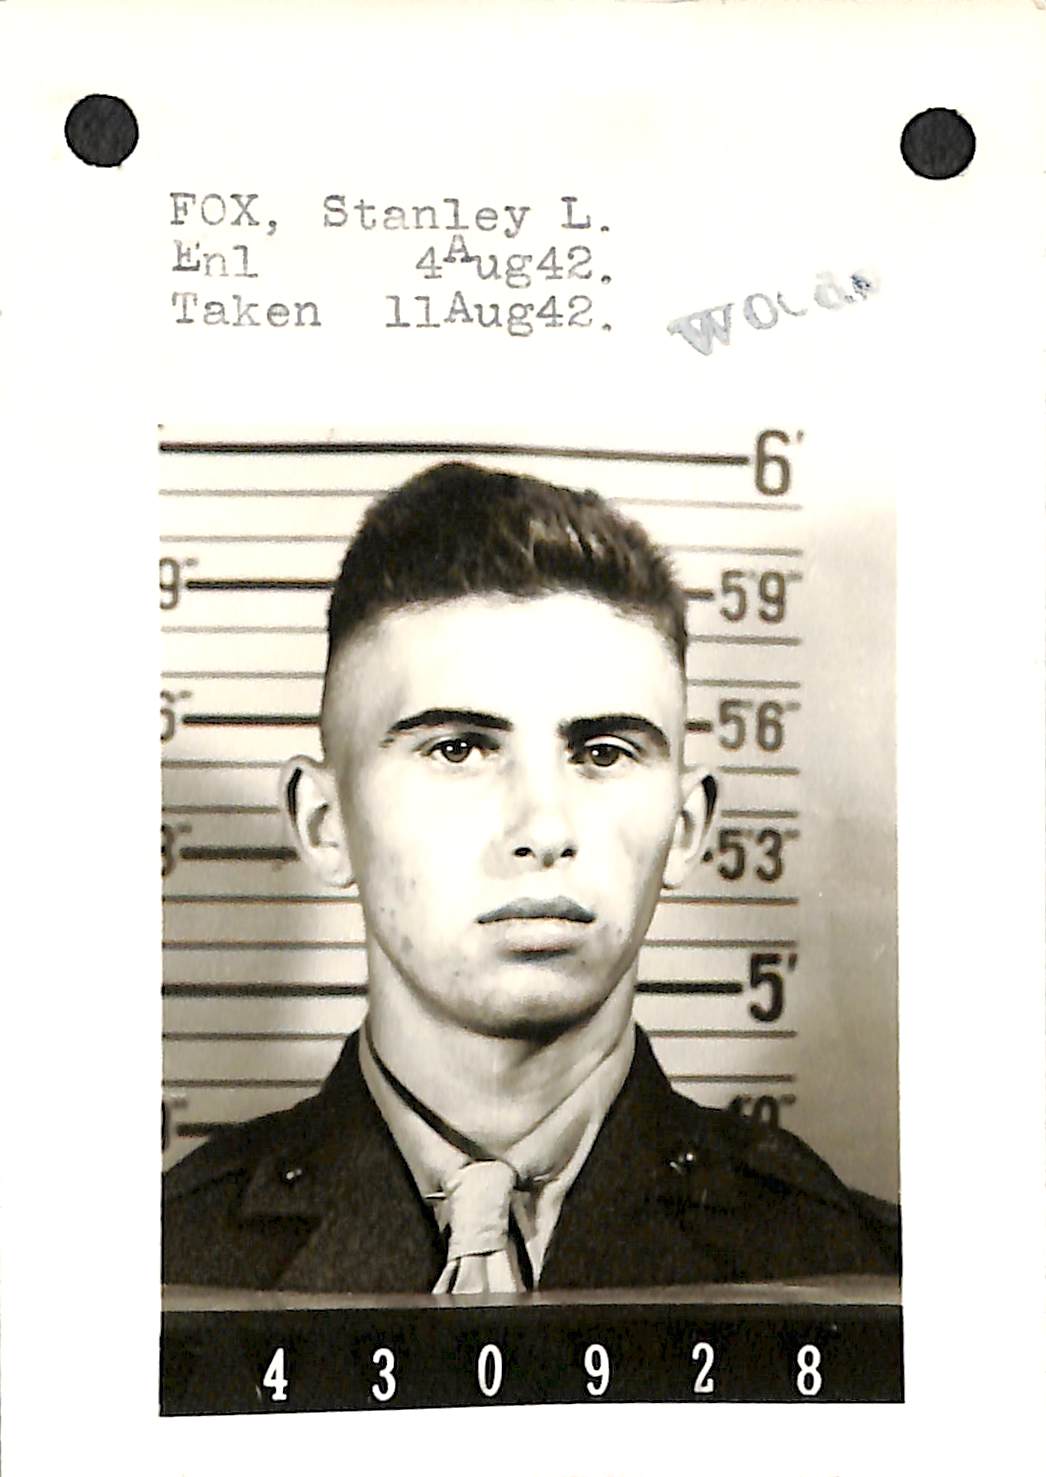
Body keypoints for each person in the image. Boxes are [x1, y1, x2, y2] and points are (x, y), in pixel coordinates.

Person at [163, 460, 899, 1293]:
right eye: (458, 749)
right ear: (324, 822)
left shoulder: (857, 1269)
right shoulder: (164, 1267)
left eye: (604, 753)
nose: (544, 830)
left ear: (686, 826)